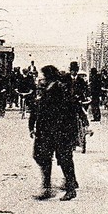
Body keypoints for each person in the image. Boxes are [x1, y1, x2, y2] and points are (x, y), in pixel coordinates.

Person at [29, 66, 82, 200]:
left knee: (62, 159)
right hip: (51, 131)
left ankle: (68, 188)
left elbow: (63, 109)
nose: (43, 80)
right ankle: (49, 187)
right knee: (44, 157)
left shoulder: (58, 90)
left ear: (49, 77)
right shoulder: (50, 89)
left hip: (58, 131)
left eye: (45, 76)